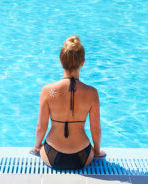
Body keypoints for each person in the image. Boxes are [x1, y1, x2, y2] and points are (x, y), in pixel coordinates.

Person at [29, 36, 106, 170]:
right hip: (83, 155)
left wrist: (36, 147)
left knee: (41, 147)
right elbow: (96, 129)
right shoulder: (92, 93)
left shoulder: (47, 91)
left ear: (60, 61)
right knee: (93, 151)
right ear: (82, 62)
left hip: (52, 153)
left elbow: (41, 127)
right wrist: (97, 152)